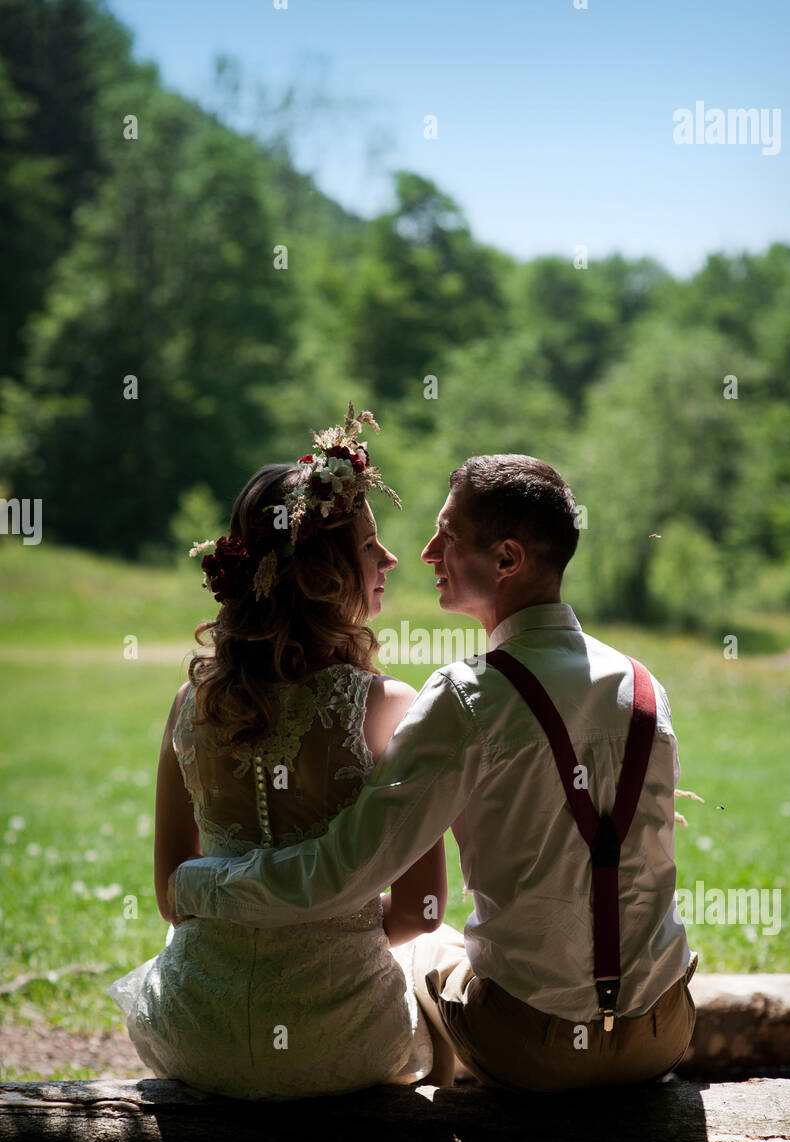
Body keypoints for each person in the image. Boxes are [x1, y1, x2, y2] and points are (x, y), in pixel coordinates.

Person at [170, 453, 699, 1092]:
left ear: (506, 560)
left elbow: (341, 872)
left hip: (532, 1048)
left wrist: (196, 887)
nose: (421, 554)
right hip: (663, 1031)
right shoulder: (644, 687)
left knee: (427, 951)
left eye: (445, 535)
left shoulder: (467, 696)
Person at [108, 403, 467, 1099]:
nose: (390, 558)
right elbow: (418, 911)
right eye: (369, 545)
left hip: (197, 1033)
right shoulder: (389, 706)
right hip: (342, 1041)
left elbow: (170, 897)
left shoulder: (192, 705)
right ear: (325, 574)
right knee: (442, 948)